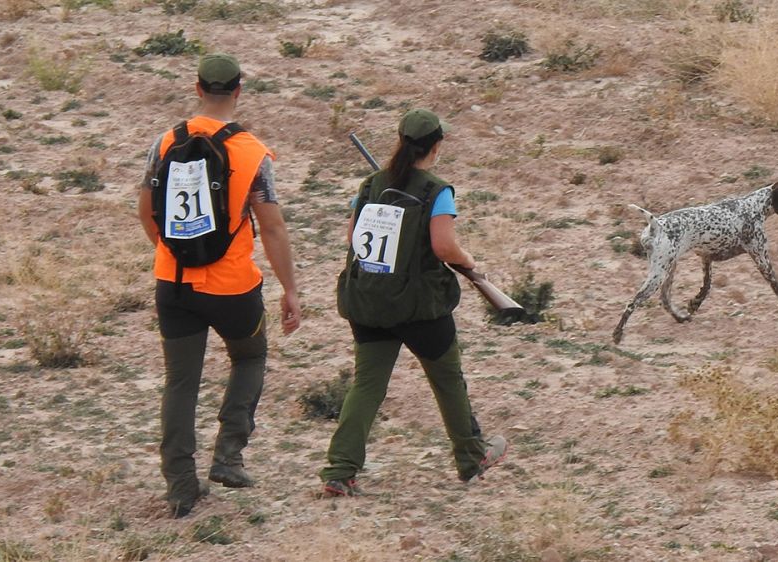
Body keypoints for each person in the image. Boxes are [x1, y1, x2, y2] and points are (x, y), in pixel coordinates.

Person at [137, 53, 301, 517]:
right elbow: (272, 227)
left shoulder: (165, 141)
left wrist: (171, 252)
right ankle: (229, 454)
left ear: (196, 88)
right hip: (232, 287)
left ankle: (181, 486)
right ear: (239, 90)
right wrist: (290, 289)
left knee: (181, 383)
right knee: (250, 355)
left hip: (173, 284)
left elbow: (146, 211)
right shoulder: (252, 152)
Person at [321, 108, 507, 496]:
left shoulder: (371, 185)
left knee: (367, 385)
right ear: (436, 146)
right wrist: (470, 264)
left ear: (401, 141)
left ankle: (340, 469)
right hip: (420, 308)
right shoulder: (437, 191)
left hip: (370, 303)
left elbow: (351, 239)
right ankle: (471, 458)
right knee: (447, 380)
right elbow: (443, 246)